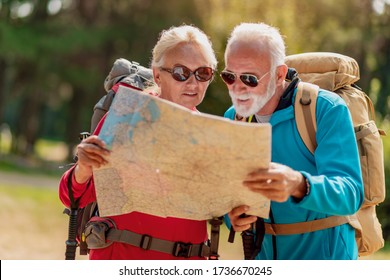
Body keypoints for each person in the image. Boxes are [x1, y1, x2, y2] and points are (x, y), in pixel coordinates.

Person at [59, 24, 218, 260]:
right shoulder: (125, 119)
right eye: (181, 72)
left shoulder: (215, 136)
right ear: (157, 75)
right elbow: (72, 196)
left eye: (202, 73)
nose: (193, 82)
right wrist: (83, 169)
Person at [221, 22, 364, 260]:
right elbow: (230, 193)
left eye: (249, 78)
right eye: (228, 76)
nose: (237, 87)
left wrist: (299, 184)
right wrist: (232, 217)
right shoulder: (232, 118)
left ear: (279, 74)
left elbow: (350, 195)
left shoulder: (325, 109)